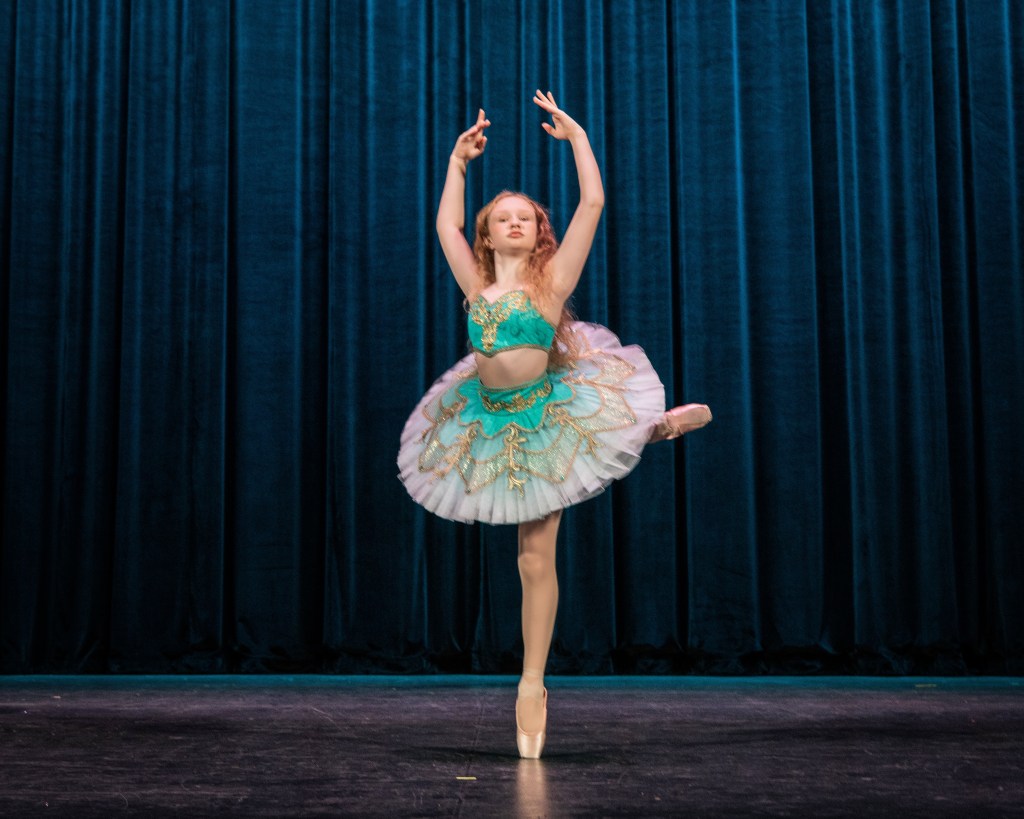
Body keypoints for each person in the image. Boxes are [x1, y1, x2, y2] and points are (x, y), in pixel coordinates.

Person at [398, 91, 711, 759]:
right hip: (485, 419)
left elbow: (592, 205)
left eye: (526, 216)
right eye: (502, 216)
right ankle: (650, 429)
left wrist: (577, 140)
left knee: (535, 558)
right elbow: (444, 229)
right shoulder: (475, 286)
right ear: (488, 234)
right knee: (527, 556)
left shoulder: (551, 283)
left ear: (539, 230)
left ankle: (531, 684)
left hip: (547, 416)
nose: (514, 222)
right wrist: (457, 164)